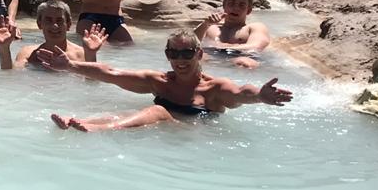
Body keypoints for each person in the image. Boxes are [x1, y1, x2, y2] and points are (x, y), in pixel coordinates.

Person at [38, 29, 293, 131]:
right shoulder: (159, 81)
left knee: (158, 110)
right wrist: (71, 65)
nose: (180, 59)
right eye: (174, 53)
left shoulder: (214, 88)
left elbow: (240, 93)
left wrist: (259, 96)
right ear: (167, 56)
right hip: (158, 129)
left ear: (199, 54)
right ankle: (80, 122)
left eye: (186, 53)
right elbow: (111, 74)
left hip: (196, 136)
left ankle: (96, 129)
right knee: (126, 113)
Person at [0, 1, 105, 69]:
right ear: (39, 24)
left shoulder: (81, 54)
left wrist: (91, 54)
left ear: (69, 24)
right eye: (48, 20)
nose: (54, 26)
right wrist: (4, 48)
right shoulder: (28, 54)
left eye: (59, 20)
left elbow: (92, 84)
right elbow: (9, 77)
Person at [195, 0, 270, 69]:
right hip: (213, 59)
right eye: (231, 3)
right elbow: (190, 42)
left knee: (243, 62)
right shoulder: (211, 28)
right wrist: (206, 23)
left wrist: (218, 46)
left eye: (241, 5)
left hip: (243, 58)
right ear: (224, 5)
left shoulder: (254, 27)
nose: (235, 8)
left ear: (248, 10)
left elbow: (256, 47)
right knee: (195, 58)